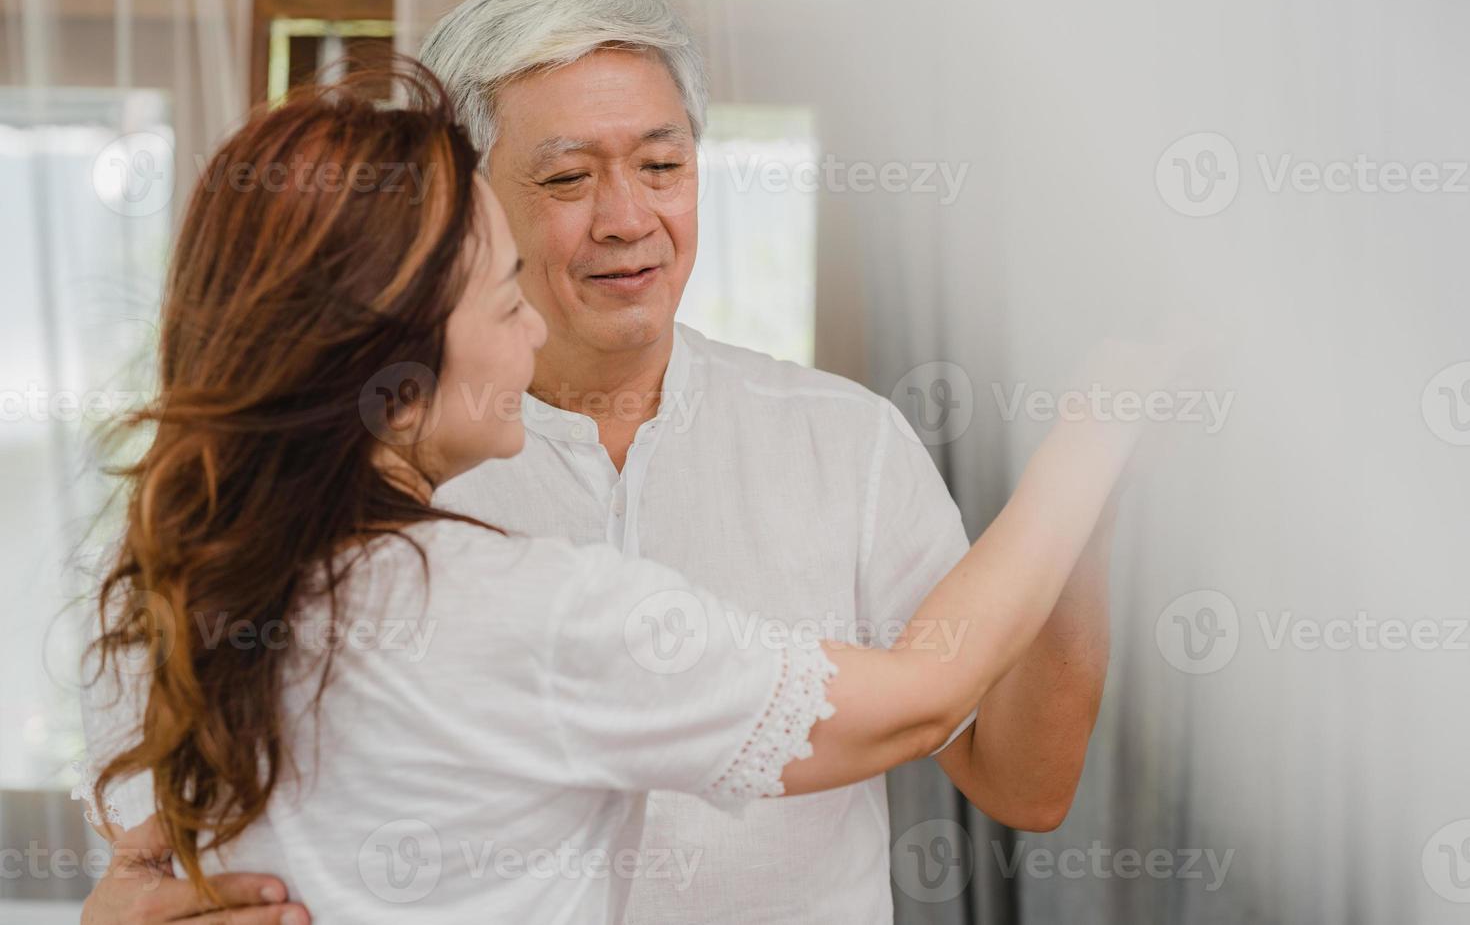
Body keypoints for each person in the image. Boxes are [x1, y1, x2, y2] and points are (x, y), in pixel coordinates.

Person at [77, 61, 1154, 924]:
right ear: (395, 359)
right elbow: (924, 689)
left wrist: (1085, 524)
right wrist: (1104, 419)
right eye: (557, 186)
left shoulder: (170, 576)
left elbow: (1022, 776)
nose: (626, 217)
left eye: (663, 162)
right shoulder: (523, 601)